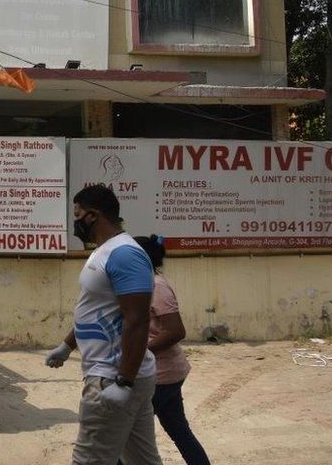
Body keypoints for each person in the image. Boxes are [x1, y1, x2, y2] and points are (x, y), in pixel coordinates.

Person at [45, 184, 163, 465]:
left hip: (112, 377)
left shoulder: (124, 254)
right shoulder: (104, 252)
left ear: (93, 216)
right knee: (143, 461)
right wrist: (66, 345)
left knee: (89, 460)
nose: (76, 222)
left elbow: (137, 319)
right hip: (116, 374)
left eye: (78, 214)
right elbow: (97, 311)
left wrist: (124, 381)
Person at [133, 235, 210, 465]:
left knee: (124, 436)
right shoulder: (143, 283)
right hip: (165, 374)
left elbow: (176, 331)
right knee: (179, 431)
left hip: (160, 376)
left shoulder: (155, 286)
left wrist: (138, 350)